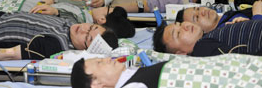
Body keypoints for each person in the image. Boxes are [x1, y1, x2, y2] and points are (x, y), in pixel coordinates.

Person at [0, 11, 119, 60]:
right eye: (91, 27)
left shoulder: (56, 46)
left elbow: (9, 54)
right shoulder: (74, 25)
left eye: (87, 38)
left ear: (84, 51)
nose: (83, 30)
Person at [0, 0, 135, 38]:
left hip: (15, 11)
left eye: (106, 8)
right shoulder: (84, 13)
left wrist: (48, 4)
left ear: (102, 20)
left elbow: (58, 14)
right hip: (21, 6)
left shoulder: (80, 21)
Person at [71, 54, 262, 88]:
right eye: (98, 63)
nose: (106, 59)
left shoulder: (132, 74)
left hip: (236, 68)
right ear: (96, 84)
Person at [153, 19, 262, 56]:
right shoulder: (201, 48)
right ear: (180, 53)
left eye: (180, 24)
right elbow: (244, 63)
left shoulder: (208, 37)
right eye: (177, 34)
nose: (185, 26)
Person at [174, 0, 262, 33]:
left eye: (198, 9)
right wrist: (257, 15)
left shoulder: (226, 16)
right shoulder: (225, 31)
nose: (202, 11)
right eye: (197, 17)